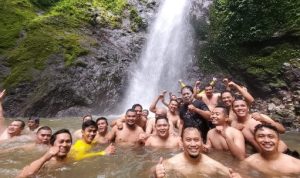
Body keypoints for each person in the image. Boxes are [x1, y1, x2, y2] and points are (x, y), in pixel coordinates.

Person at [153, 127, 241, 178]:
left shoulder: (212, 164)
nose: (193, 144)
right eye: (188, 140)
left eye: (196, 140)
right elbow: (149, 172)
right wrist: (154, 174)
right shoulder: (172, 163)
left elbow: (232, 174)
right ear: (182, 143)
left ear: (202, 142)